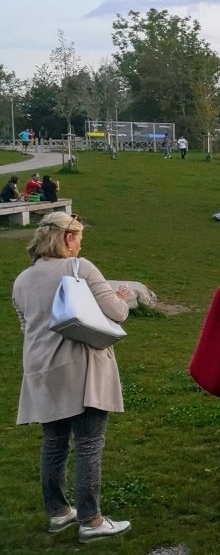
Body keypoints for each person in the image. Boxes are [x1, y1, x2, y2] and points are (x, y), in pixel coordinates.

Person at [13, 212, 132, 543]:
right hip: (81, 368)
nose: (81, 244)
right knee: (89, 443)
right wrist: (121, 298)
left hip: (41, 371)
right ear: (67, 238)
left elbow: (27, 326)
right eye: (78, 237)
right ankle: (91, 520)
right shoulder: (80, 268)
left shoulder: (21, 280)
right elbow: (116, 313)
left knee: (53, 444)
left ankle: (58, 512)